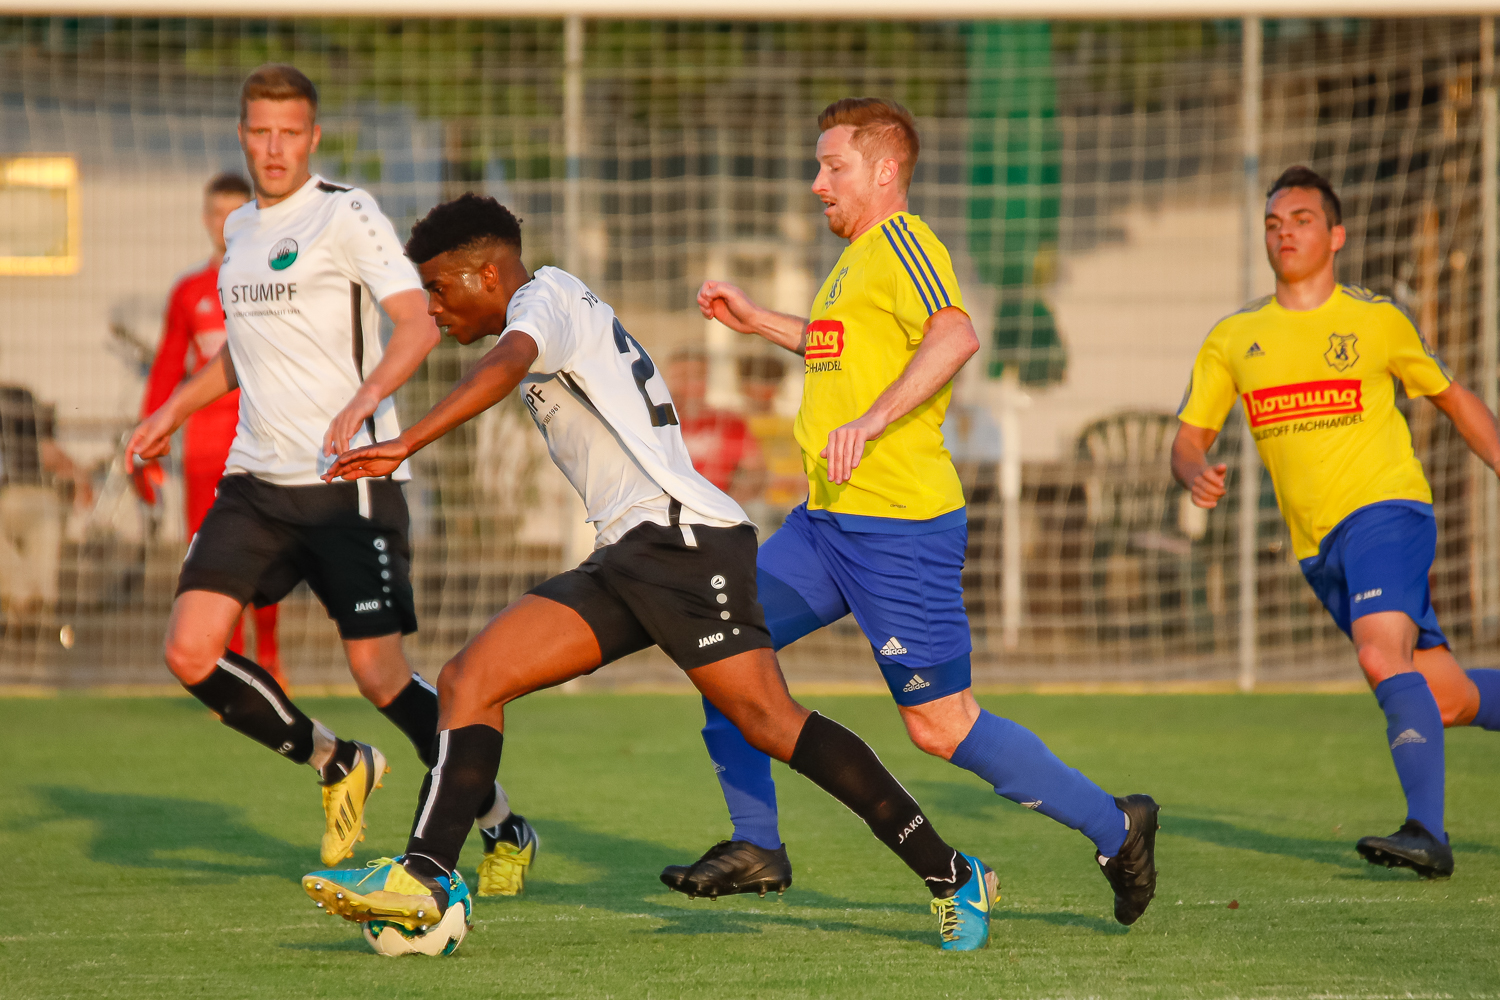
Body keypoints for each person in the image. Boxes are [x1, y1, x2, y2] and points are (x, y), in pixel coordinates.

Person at [302, 193, 1000, 951]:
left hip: (682, 544)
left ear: (490, 274)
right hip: (628, 551)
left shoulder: (543, 301)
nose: (434, 309)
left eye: (440, 289)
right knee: (470, 679)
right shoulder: (548, 303)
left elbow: (506, 366)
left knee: (770, 722)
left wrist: (406, 443)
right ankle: (427, 877)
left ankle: (952, 873)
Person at [671, 97, 1160, 927]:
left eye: (834, 166)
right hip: (826, 524)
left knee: (941, 727)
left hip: (898, 527)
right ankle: (757, 845)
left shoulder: (904, 242)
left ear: (885, 170)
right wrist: (760, 323)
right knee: (721, 651)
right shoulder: (852, 262)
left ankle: (1117, 827)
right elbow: (840, 349)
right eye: (819, 165)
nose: (817, 182)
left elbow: (956, 335)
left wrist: (871, 421)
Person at [124, 64, 535, 896]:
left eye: (290, 132)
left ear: (312, 137)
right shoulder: (240, 228)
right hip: (255, 481)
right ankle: (337, 760)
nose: (274, 147)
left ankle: (500, 820)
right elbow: (244, 351)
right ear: (243, 137)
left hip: (350, 482)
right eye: (261, 132)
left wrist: (368, 396)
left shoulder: (346, 213)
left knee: (380, 676)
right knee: (189, 650)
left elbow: (416, 323)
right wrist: (170, 410)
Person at [1173, 164, 1500, 879]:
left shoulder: (1375, 320)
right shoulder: (1234, 337)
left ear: (1337, 235)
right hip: (1318, 548)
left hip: (1388, 512)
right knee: (1446, 700)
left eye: (1302, 220)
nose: (1285, 234)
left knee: (1381, 657)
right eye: (1273, 223)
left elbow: (1453, 398)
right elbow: (1189, 437)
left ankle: (1427, 833)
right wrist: (1192, 469)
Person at [136, 172, 286, 687]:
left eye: (234, 213)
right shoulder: (189, 292)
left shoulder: (277, 280)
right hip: (206, 444)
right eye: (217, 213)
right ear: (205, 219)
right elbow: (168, 367)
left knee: (269, 550)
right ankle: (233, 667)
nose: (225, 224)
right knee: (214, 554)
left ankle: (270, 655)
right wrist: (149, 433)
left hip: (265, 435)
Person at [0, 387, 93, 618]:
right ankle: (28, 598)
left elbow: (48, 452)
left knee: (46, 518)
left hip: (22, 494)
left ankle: (36, 605)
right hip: (12, 498)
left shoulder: (16, 401)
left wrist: (78, 476)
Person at [664, 347, 763, 501]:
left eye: (696, 376)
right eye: (681, 376)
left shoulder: (729, 422)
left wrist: (728, 504)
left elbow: (756, 470)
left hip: (714, 504)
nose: (688, 383)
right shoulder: (656, 422)